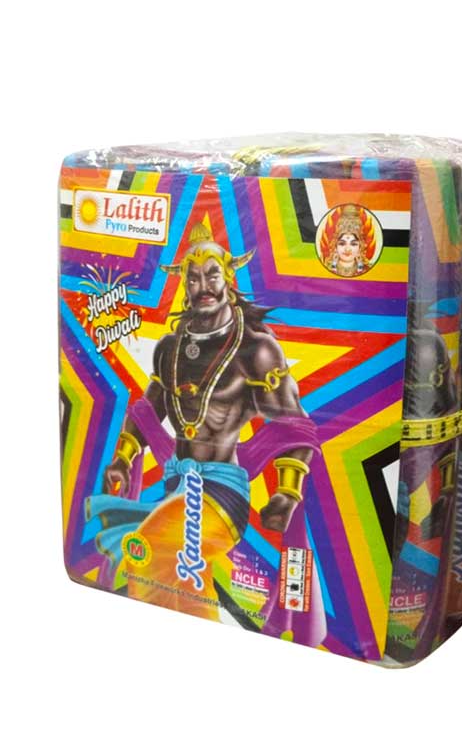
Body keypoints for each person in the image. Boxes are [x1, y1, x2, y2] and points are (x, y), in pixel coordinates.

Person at [88, 224, 317, 621]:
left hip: (222, 491)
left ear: (228, 277)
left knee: (149, 549)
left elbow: (293, 426)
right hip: (176, 483)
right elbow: (147, 411)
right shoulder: (170, 348)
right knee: (179, 580)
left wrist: (287, 493)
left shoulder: (256, 349)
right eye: (193, 278)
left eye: (212, 274)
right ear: (184, 284)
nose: (203, 286)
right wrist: (123, 458)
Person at [321, 204, 373, 276]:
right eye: (342, 244)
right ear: (335, 246)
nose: (347, 249)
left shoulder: (367, 270)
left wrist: (360, 265)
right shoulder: (326, 268)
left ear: (360, 247)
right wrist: (334, 265)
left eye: (353, 244)